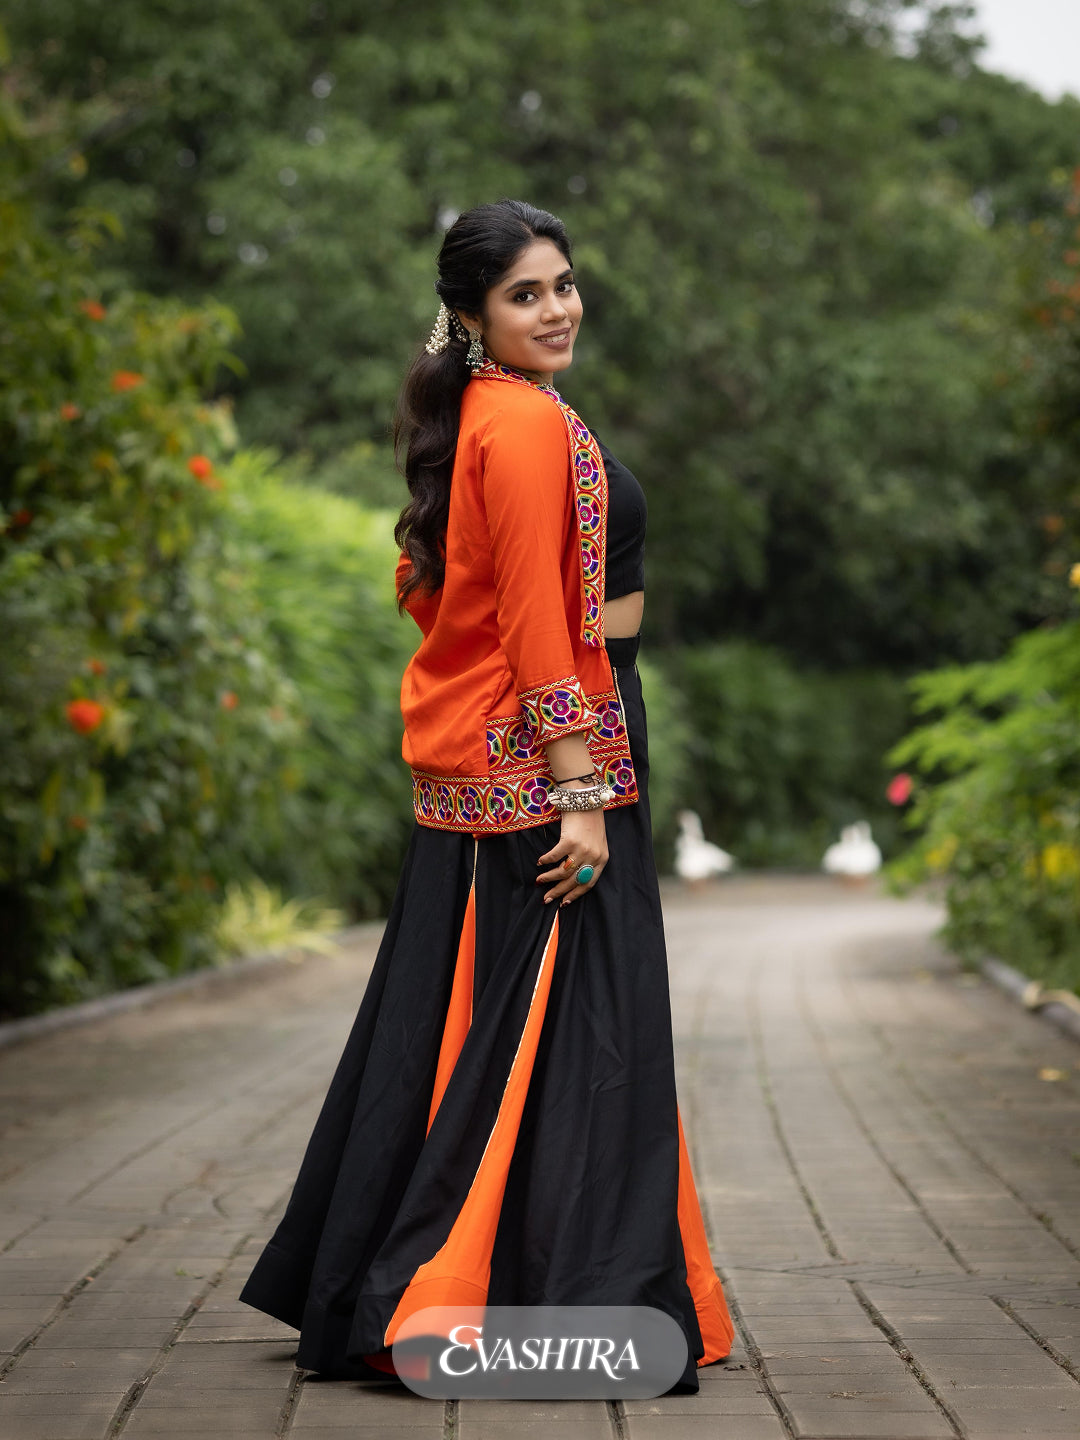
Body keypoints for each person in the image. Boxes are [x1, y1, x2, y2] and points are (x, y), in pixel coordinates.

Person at [237, 199, 735, 1394]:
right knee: (563, 1031)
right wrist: (579, 790)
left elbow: (446, 595)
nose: (557, 307)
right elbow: (525, 618)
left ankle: (476, 1279)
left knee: (506, 1028)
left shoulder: (514, 410)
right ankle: (516, 1299)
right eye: (526, 293)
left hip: (551, 736)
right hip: (552, 760)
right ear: (467, 315)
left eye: (563, 283)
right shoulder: (516, 424)